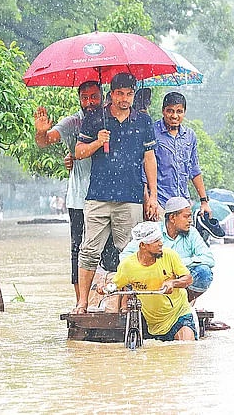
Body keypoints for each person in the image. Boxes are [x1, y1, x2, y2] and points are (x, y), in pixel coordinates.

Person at [72, 72, 158, 314]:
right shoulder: (95, 118)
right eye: (119, 94)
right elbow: (78, 152)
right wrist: (98, 142)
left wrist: (152, 195)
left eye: (129, 94)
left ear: (133, 95)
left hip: (130, 197)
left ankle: (125, 304)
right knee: (89, 250)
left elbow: (149, 158)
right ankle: (82, 302)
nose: (124, 99)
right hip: (98, 196)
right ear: (110, 95)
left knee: (130, 251)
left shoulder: (143, 121)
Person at [34, 81, 118, 304]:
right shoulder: (73, 122)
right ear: (79, 99)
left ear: (103, 96)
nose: (89, 102)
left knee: (112, 251)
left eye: (94, 97)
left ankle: (111, 301)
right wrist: (41, 132)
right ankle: (81, 302)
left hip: (110, 197)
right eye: (84, 97)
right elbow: (46, 141)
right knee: (78, 250)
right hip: (80, 198)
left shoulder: (113, 118)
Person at [111, 221, 196, 341]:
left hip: (179, 314)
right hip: (153, 322)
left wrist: (172, 283)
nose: (161, 244)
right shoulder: (127, 265)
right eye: (155, 241)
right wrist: (105, 288)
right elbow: (116, 284)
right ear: (142, 245)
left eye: (160, 239)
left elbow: (188, 278)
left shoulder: (170, 256)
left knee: (186, 345)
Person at [120, 197, 215, 302]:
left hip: (177, 282)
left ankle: (182, 303)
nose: (190, 221)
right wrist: (148, 267)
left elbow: (209, 259)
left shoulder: (191, 232)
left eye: (190, 216)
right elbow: (125, 256)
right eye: (186, 216)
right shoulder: (153, 230)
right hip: (151, 278)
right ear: (172, 217)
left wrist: (175, 264)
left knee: (204, 272)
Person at [152, 92, 211, 218]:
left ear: (184, 112)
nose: (174, 116)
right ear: (163, 111)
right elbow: (144, 170)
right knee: (160, 237)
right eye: (170, 111)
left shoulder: (190, 136)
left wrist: (204, 201)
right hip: (160, 202)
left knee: (184, 237)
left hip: (183, 202)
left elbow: (194, 170)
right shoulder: (152, 132)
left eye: (179, 111)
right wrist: (150, 199)